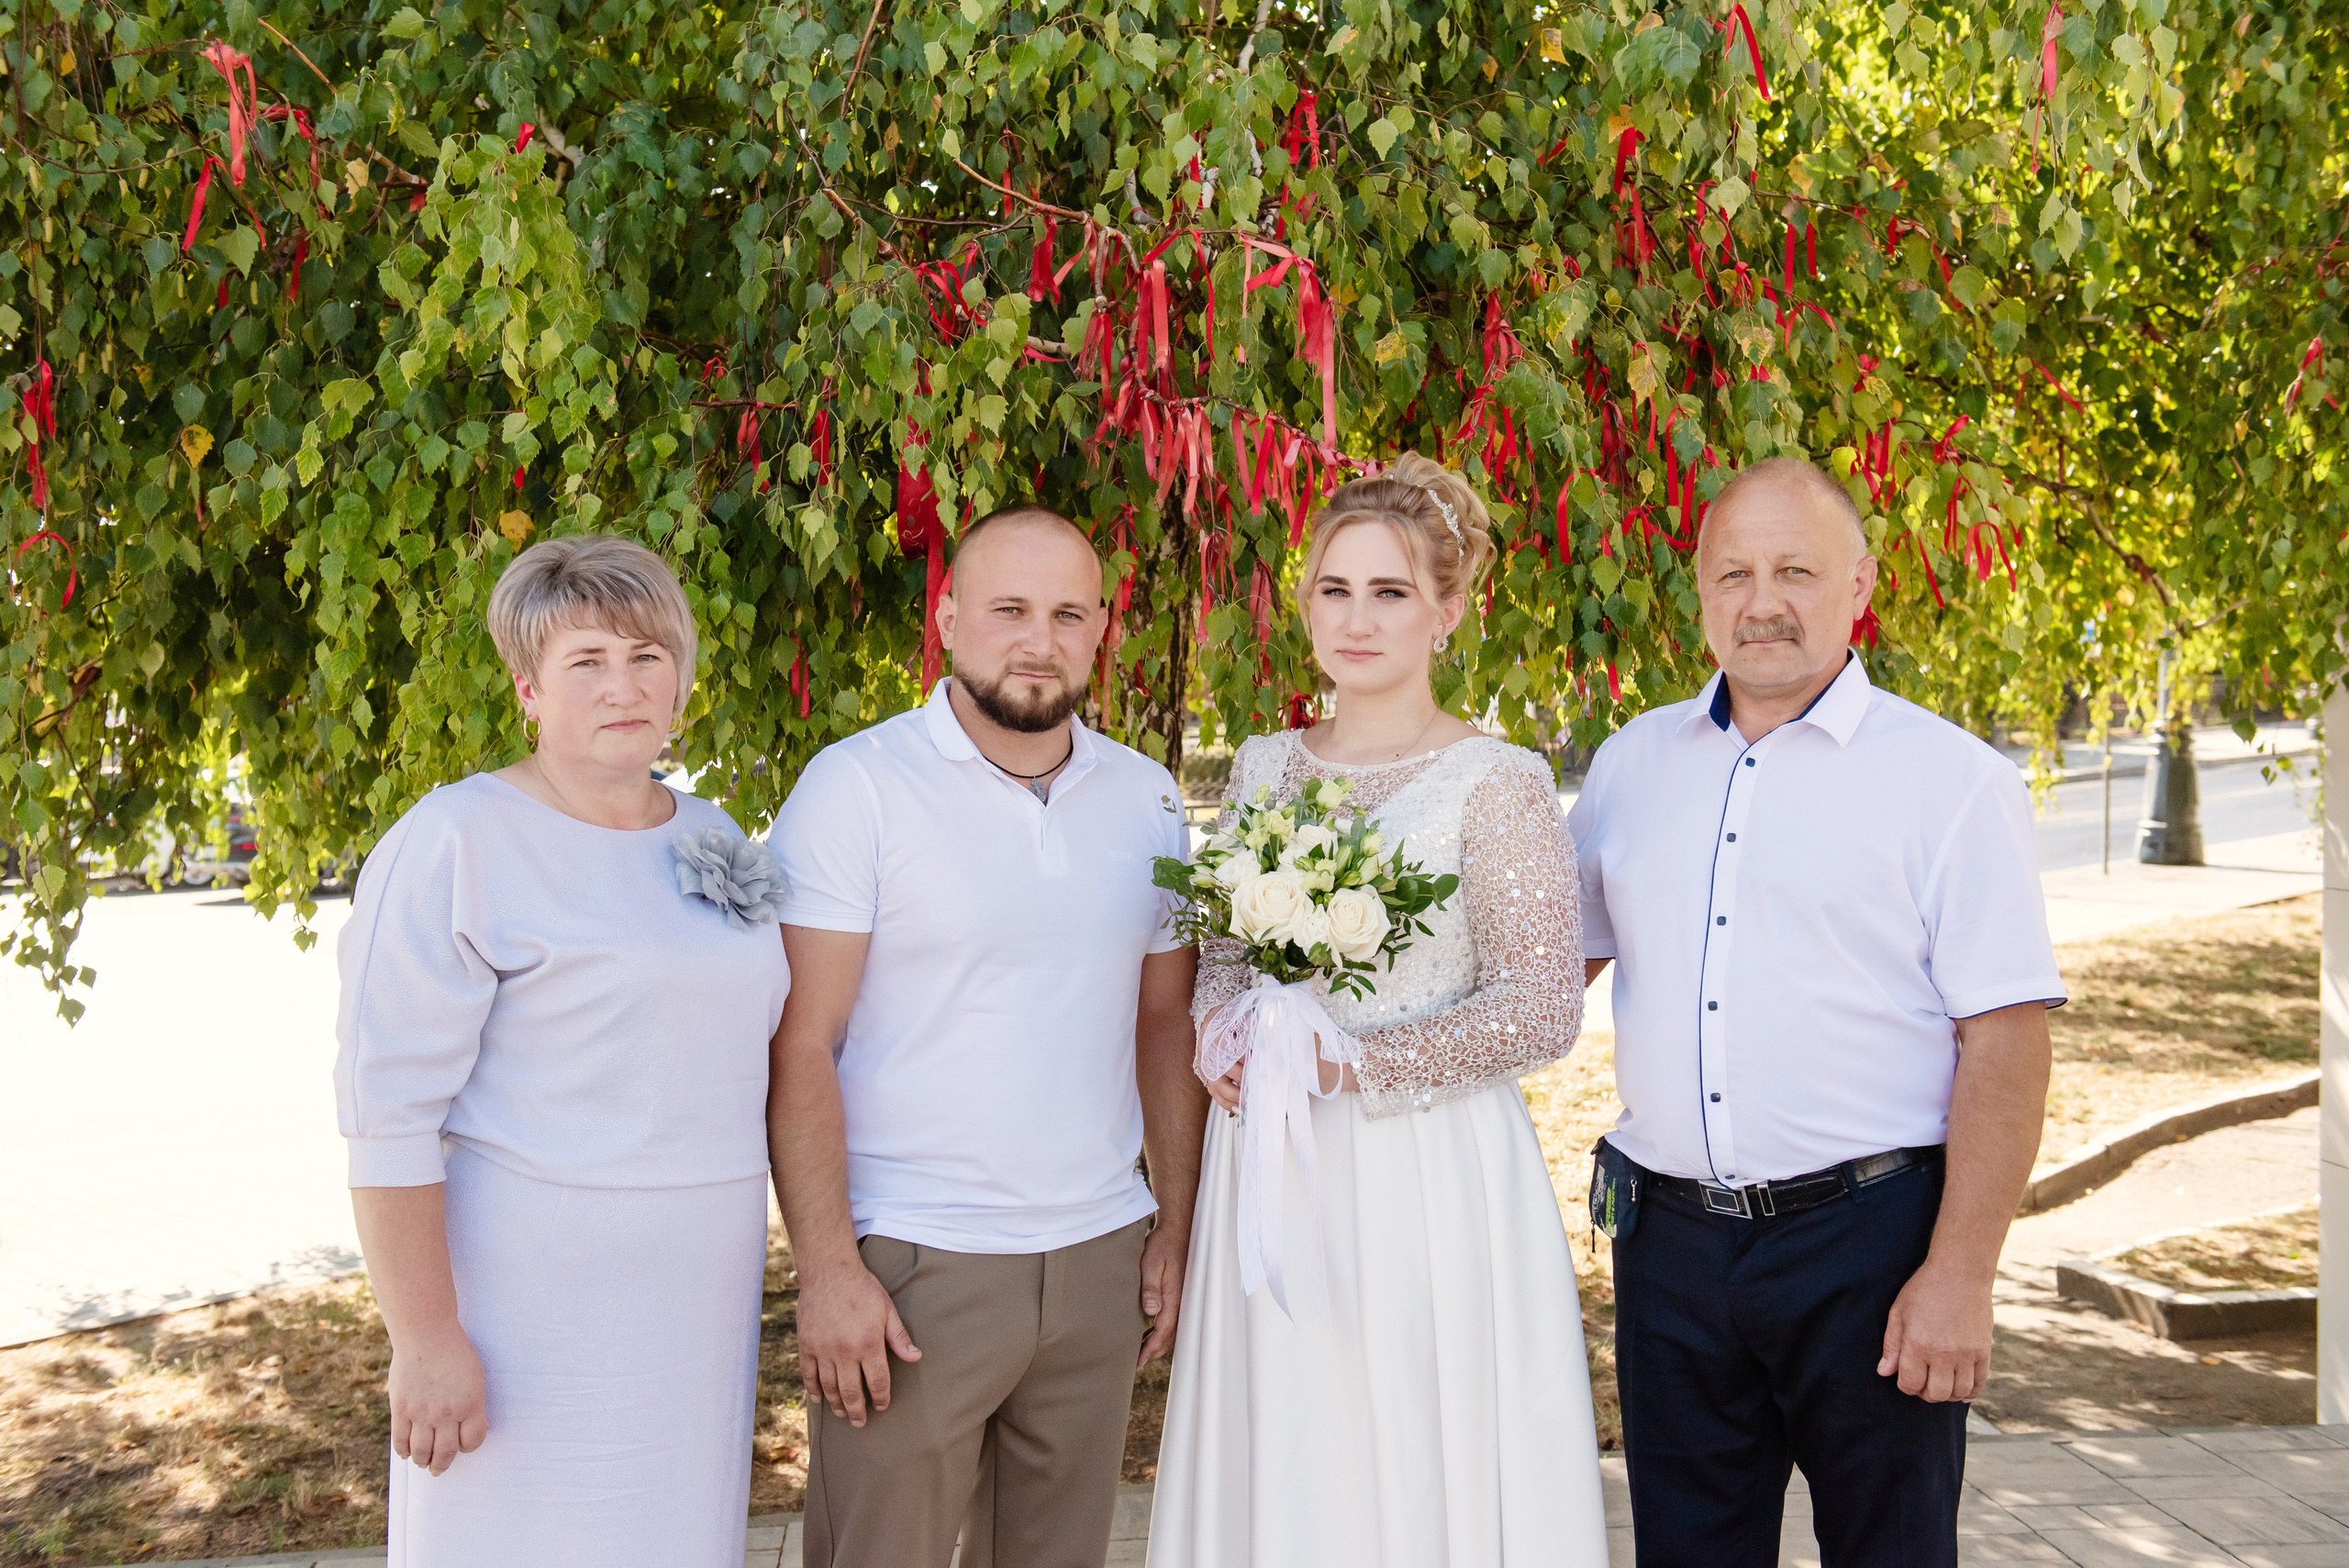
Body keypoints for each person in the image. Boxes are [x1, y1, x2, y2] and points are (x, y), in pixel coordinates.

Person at [1568, 457, 2065, 1567]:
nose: (1762, 600)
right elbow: (1540, 985)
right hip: (1671, 1254)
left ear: (1858, 584)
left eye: (1795, 569)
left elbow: (2007, 1041)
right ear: (1698, 594)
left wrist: (1961, 1273)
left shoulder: (1951, 780)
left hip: (1874, 1251)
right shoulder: (1629, 765)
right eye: (1733, 572)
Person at [1149, 453, 1611, 1566]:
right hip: (1272, 1161)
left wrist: (1348, 1063)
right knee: (1289, 1435)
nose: (1357, 619)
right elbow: (1219, 956)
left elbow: (1542, 1004)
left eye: (1391, 592)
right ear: (1304, 601)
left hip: (1426, 1171)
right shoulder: (1262, 765)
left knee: (1410, 1431)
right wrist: (1225, 1038)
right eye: (1335, 589)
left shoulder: (1495, 779)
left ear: (1448, 609)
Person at [334, 535, 791, 1567]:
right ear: (527, 686)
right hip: (524, 1309)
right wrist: (425, 1336)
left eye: (646, 655)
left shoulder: (714, 837)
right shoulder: (457, 840)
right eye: (586, 661)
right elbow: (387, 1115)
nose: (623, 686)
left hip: (696, 1306)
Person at [767, 504, 1207, 1568]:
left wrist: (1174, 1228)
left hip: (1098, 1258)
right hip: (917, 1265)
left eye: (1067, 613)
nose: (1038, 639)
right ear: (948, 616)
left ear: (1102, 628)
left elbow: (1164, 1025)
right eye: (1009, 608)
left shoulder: (1146, 797)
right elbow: (800, 1045)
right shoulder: (855, 785)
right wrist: (826, 1267)